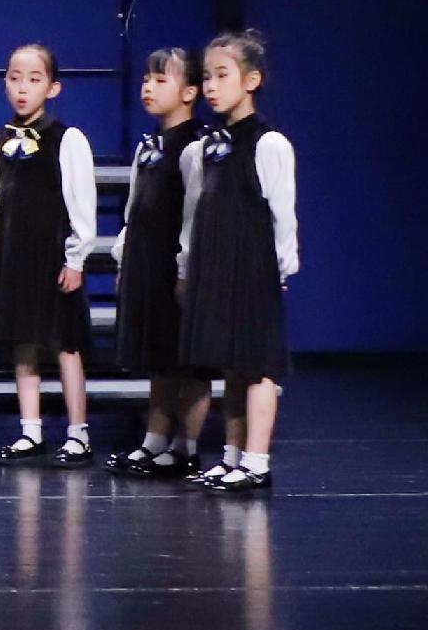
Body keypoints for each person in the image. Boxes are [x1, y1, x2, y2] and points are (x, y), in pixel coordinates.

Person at [0, 41, 101, 467]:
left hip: (52, 255)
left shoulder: (67, 139)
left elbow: (81, 202)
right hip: (13, 255)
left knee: (65, 344)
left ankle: (78, 432)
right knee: (22, 343)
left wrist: (75, 258)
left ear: (53, 88)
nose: (22, 88)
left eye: (33, 79)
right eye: (14, 78)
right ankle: (31, 430)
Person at [179, 30, 299, 496]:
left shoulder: (268, 143)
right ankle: (231, 455)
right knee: (230, 364)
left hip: (253, 265)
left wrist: (281, 268)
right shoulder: (208, 146)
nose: (211, 86)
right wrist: (188, 266)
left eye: (221, 76)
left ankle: (256, 459)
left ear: (251, 80)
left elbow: (281, 213)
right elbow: (195, 213)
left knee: (257, 365)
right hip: (217, 264)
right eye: (206, 76)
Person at [106, 49, 213, 478]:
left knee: (188, 360)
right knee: (159, 357)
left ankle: (186, 447)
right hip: (148, 262)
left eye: (161, 80)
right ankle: (154, 440)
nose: (148, 88)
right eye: (146, 79)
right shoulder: (149, 146)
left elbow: (194, 214)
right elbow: (134, 209)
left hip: (179, 265)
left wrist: (186, 269)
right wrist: (123, 258)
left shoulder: (199, 145)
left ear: (189, 91)